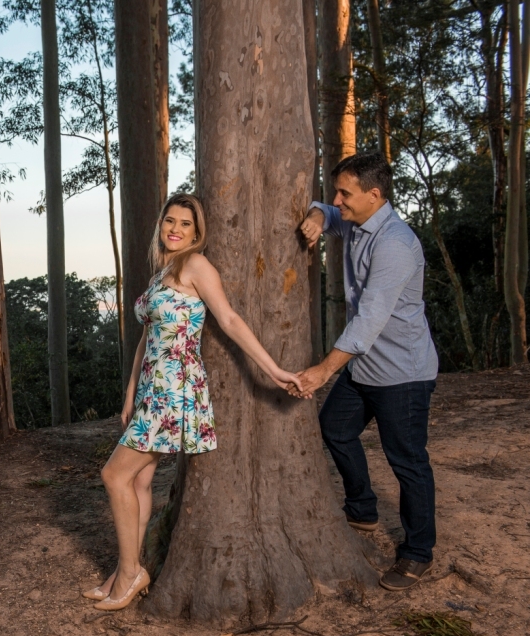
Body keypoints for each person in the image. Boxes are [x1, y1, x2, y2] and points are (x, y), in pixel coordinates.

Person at [85, 193, 302, 611]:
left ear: (197, 233)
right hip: (151, 387)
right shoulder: (162, 271)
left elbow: (230, 320)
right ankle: (124, 568)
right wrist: (130, 391)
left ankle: (131, 575)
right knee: (140, 481)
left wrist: (273, 370)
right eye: (170, 221)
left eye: (186, 224)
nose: (176, 229)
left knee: (114, 475)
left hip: (174, 388)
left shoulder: (196, 265)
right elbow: (148, 336)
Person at [294, 151, 438, 591]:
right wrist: (319, 214)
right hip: (365, 367)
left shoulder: (394, 243)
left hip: (402, 373)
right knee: (334, 428)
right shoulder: (355, 220)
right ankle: (362, 507)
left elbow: (370, 319)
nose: (338, 199)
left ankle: (417, 553)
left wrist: (322, 370)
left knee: (408, 463)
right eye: (337, 191)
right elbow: (324, 209)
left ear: (374, 195)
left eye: (345, 193)